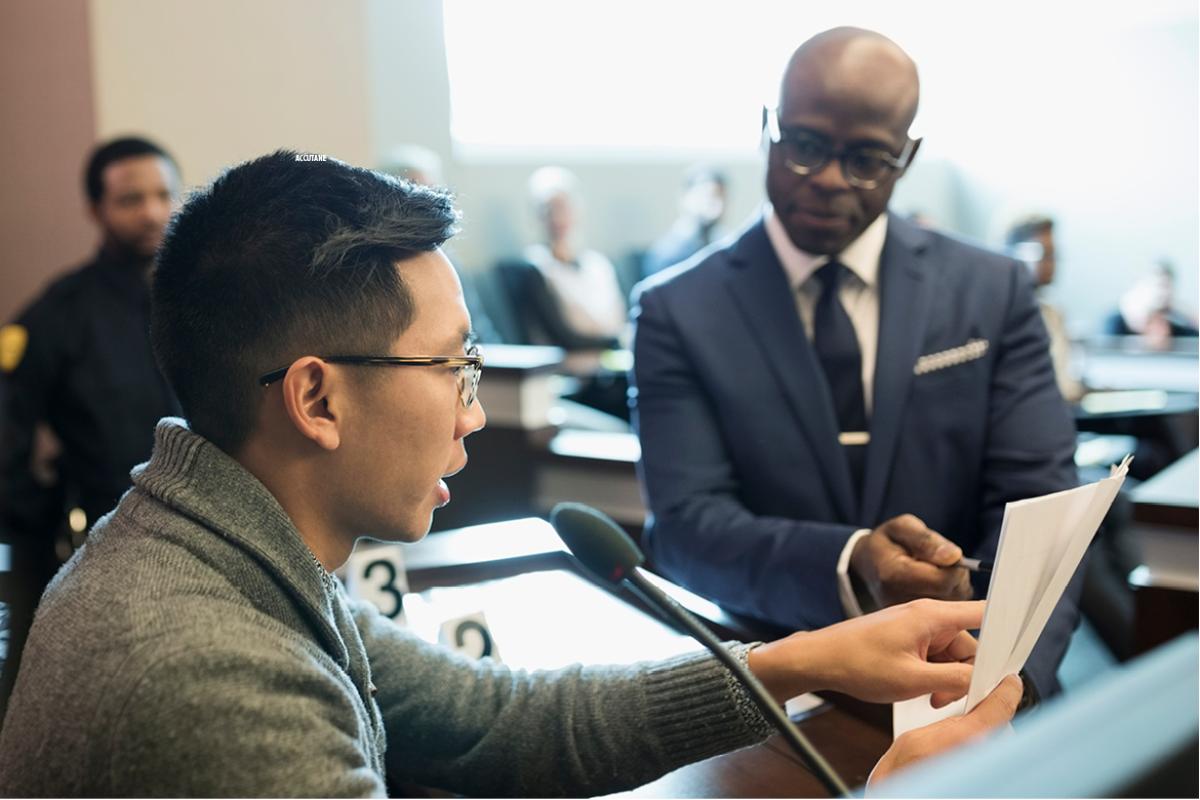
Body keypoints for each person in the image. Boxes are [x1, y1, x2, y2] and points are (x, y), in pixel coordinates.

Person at [0, 151, 1022, 796]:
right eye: (454, 366)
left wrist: (811, 657)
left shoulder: (223, 543)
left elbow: (495, 719)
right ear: (316, 399)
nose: (476, 410)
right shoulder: (206, 676)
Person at [631, 27, 1083, 704]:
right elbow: (689, 528)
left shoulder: (990, 290)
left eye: (869, 158)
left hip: (974, 675)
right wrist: (849, 561)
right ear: (768, 129)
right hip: (778, 686)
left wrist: (1002, 681)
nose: (833, 181)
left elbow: (1042, 507)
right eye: (807, 147)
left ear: (908, 155)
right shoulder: (678, 310)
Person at [0, 136, 182, 716]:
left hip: (217, 529)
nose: (152, 212)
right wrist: (37, 510)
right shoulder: (59, 313)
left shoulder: (206, 300)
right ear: (96, 210)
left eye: (162, 195)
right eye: (132, 199)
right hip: (108, 548)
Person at [378, 144, 501, 344]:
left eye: (432, 193)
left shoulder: (449, 262)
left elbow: (480, 330)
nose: (428, 207)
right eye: (417, 194)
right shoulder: (379, 266)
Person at [513, 166, 627, 350]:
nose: (558, 218)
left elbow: (618, 320)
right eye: (549, 209)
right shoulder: (535, 268)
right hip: (571, 365)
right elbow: (561, 336)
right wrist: (615, 341)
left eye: (564, 208)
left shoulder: (599, 265)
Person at [1005, 214, 1085, 402]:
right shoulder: (1004, 314)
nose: (1052, 264)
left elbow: (1066, 384)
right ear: (1016, 252)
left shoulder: (1053, 314)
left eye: (1054, 255)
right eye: (1045, 254)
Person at [642, 164, 729, 278]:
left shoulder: (725, 243)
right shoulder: (666, 252)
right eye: (708, 196)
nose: (716, 205)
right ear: (685, 198)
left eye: (721, 197)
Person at [1103, 260, 1198, 348]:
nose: (1161, 293)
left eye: (1166, 286)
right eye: (1157, 285)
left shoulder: (1178, 328)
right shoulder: (1117, 323)